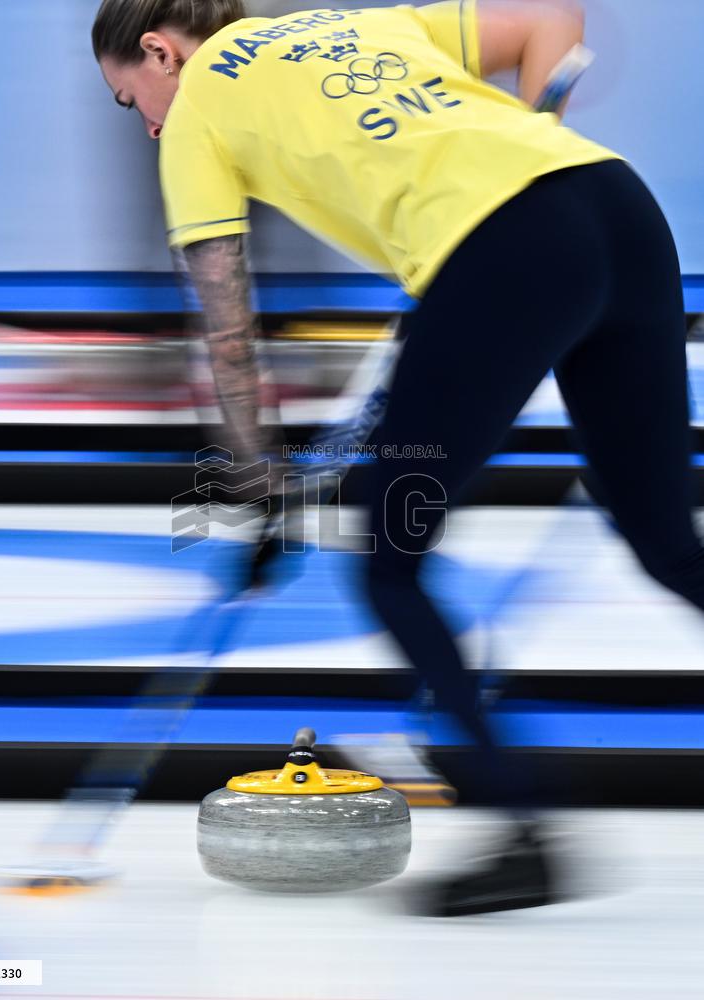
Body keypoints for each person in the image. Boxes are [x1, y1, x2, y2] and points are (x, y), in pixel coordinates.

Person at [93, 0, 704, 914]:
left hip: (505, 254)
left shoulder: (195, 118)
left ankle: (521, 832)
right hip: (617, 206)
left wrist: (258, 485)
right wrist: (527, 149)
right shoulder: (355, 23)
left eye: (127, 99)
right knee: (665, 542)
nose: (144, 124)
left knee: (391, 565)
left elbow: (225, 329)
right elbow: (548, 16)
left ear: (159, 52)